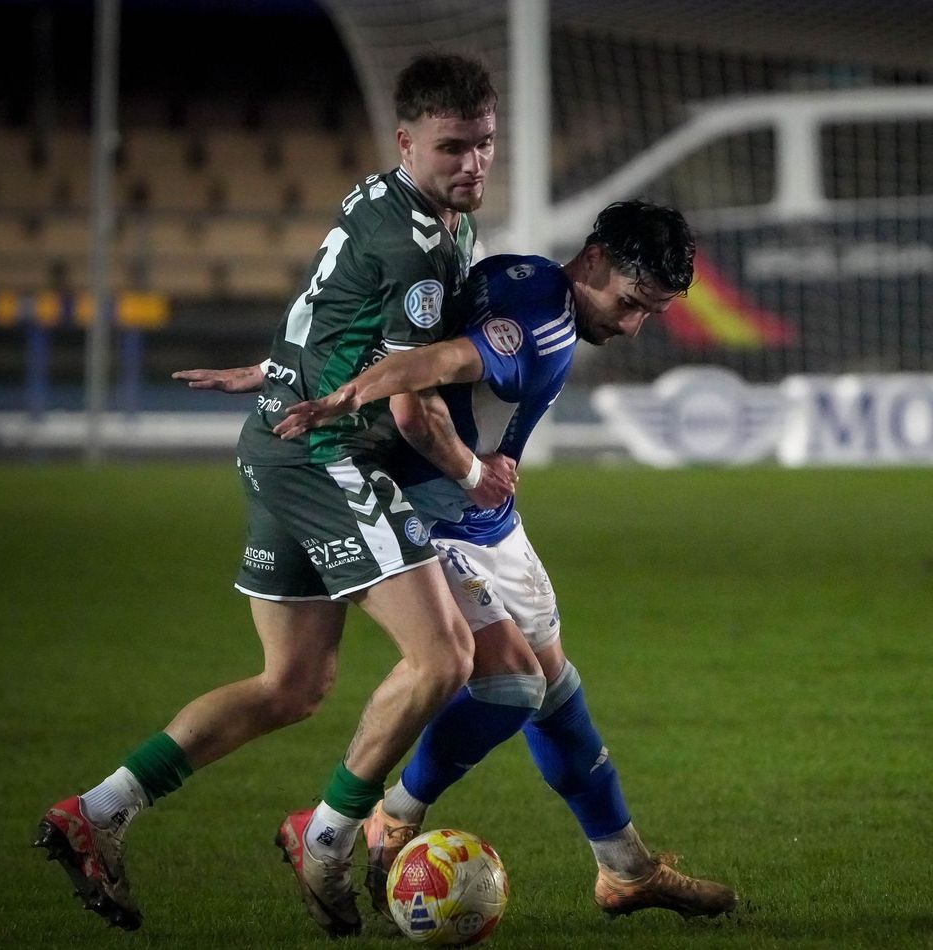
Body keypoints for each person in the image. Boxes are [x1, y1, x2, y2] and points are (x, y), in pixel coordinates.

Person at [34, 54, 512, 937]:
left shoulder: (385, 200)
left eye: (484, 144)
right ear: (406, 140)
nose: (472, 165)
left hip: (276, 440)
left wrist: (274, 369)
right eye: (452, 148)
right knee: (444, 658)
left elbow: (331, 311)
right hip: (325, 455)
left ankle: (94, 813)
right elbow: (408, 404)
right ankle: (326, 836)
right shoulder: (416, 243)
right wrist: (474, 473)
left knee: (290, 684)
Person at [181, 201, 738, 921]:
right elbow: (436, 359)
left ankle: (625, 870)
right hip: (439, 516)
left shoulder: (523, 277)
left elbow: (403, 331)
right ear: (595, 259)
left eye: (650, 314)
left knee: (557, 687)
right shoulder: (537, 319)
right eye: (632, 303)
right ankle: (385, 817)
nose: (632, 324)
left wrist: (275, 367)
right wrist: (341, 397)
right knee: (510, 687)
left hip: (491, 520)